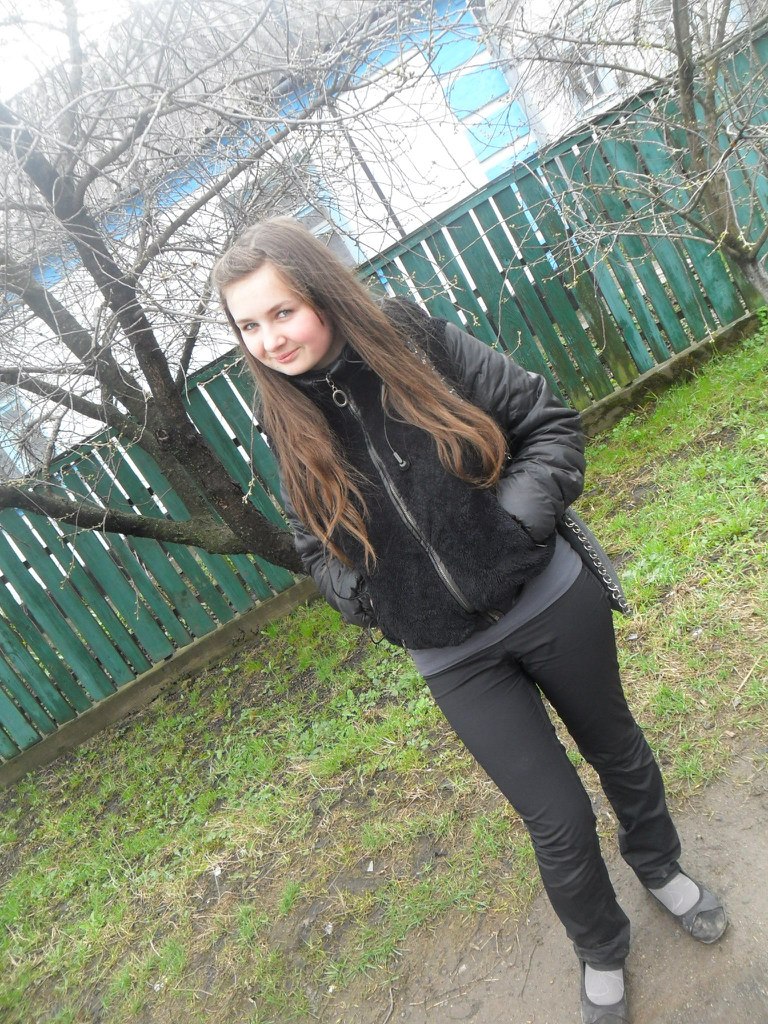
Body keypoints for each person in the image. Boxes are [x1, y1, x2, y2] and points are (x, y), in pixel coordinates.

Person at [212, 217, 727, 1024]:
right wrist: (374, 602)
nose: (269, 339)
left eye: (283, 312)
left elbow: (547, 424)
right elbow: (314, 545)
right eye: (249, 325)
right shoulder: (279, 421)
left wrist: (514, 527)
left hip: (548, 598)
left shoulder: (418, 344)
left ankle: (660, 867)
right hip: (453, 656)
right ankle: (601, 947)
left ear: (323, 294)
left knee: (616, 746)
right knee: (555, 819)